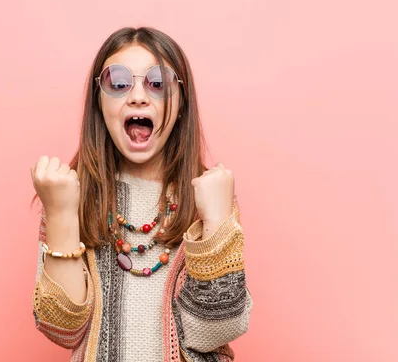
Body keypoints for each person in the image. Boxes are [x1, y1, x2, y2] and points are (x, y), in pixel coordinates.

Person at [30, 27, 252, 362]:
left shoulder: (207, 198)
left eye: (157, 83)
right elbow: (62, 328)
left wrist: (218, 222)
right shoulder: (73, 195)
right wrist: (61, 212)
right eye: (118, 83)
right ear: (99, 101)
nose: (137, 96)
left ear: (181, 102)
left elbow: (215, 331)